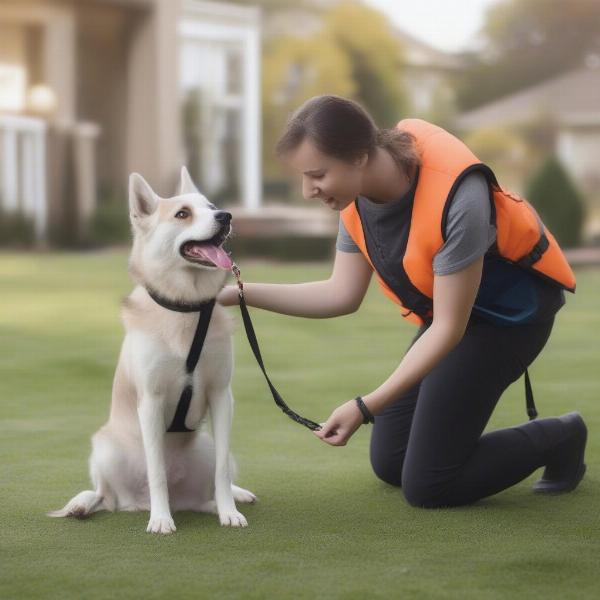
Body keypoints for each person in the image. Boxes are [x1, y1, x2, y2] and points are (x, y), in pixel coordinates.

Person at [217, 95, 587, 508]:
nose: (307, 191)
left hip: (508, 321)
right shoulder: (355, 199)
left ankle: (561, 436)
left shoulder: (460, 198)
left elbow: (449, 329)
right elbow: (341, 293)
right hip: (452, 317)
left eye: (317, 175)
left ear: (359, 156)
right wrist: (238, 294)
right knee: (391, 463)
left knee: (430, 486)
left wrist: (365, 404)